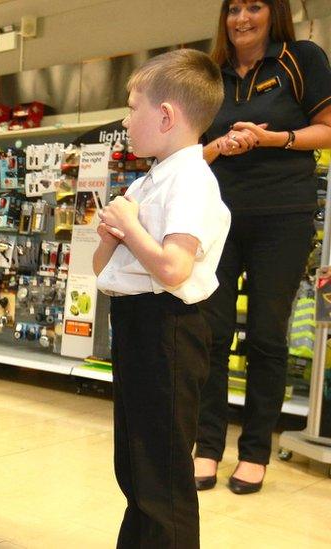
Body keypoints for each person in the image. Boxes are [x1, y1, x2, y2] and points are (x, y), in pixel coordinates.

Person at [194, 0, 331, 495]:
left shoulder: (302, 58)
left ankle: (255, 453)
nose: (242, 18)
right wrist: (218, 147)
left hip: (283, 218)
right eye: (233, 8)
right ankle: (207, 446)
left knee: (268, 339)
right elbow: (191, 146)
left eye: (255, 6)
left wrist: (274, 140)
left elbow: (329, 130)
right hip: (217, 218)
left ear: (274, 13)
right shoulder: (209, 71)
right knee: (209, 333)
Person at [94, 49, 229, 547]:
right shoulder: (154, 177)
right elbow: (102, 270)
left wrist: (130, 226)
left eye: (133, 108)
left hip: (168, 327)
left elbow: (174, 267)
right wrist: (113, 234)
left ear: (166, 115)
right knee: (135, 463)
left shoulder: (192, 179)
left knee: (163, 471)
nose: (127, 120)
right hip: (136, 323)